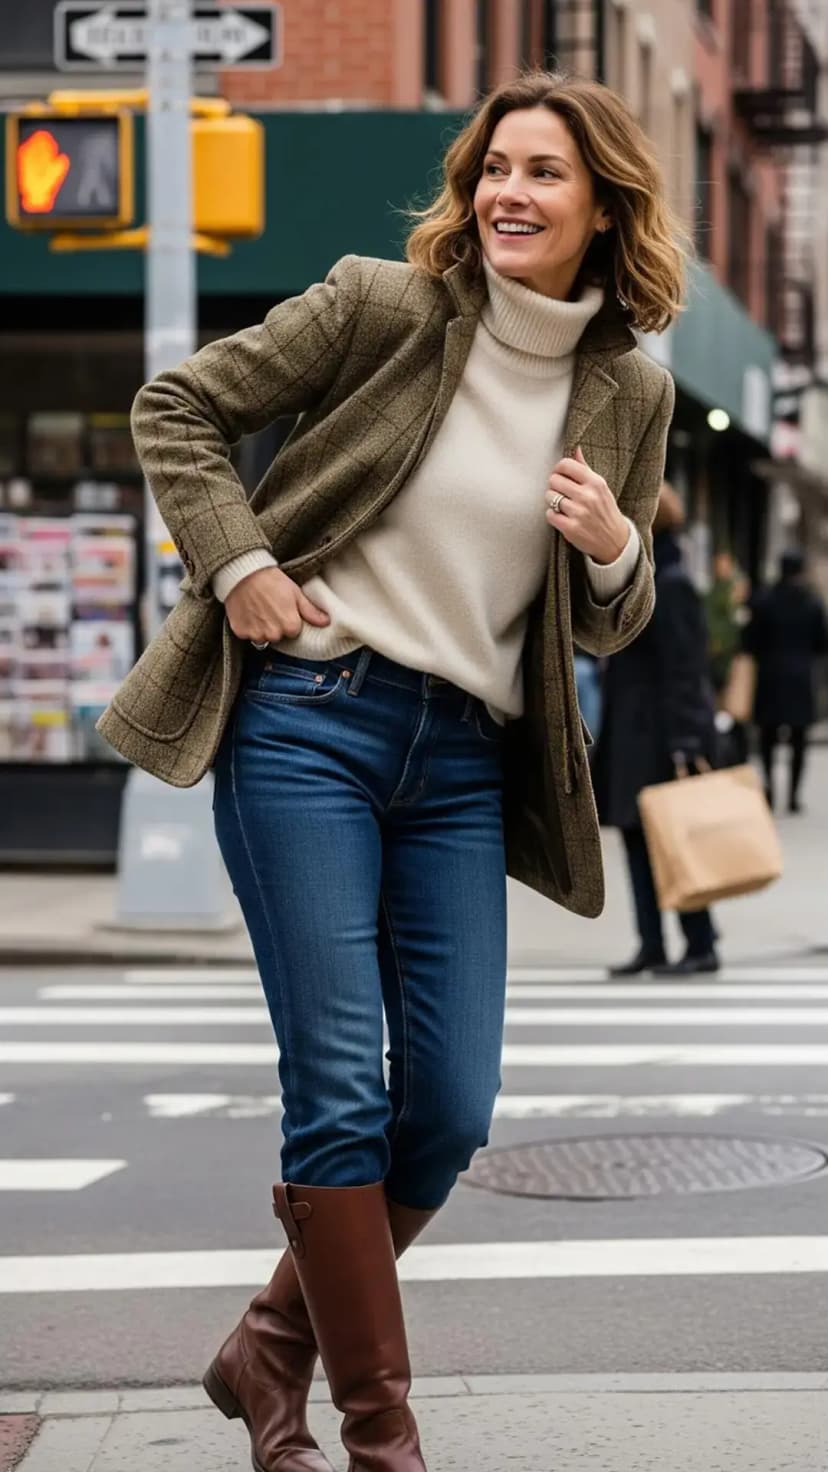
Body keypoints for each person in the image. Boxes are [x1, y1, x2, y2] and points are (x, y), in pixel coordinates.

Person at [98, 71, 683, 1472]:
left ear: (604, 207)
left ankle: (269, 1347)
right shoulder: (380, 305)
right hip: (312, 725)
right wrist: (238, 565)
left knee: (452, 1106)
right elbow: (177, 408)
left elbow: (612, 613)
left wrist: (613, 538)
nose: (508, 194)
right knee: (342, 1093)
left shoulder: (633, 388)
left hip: (463, 763)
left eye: (544, 173)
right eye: (493, 167)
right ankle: (378, 1436)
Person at [595, 483, 720, 976]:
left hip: (661, 740)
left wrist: (686, 743)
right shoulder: (645, 578)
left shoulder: (671, 582)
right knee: (636, 838)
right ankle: (651, 943)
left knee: (676, 840)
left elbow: (686, 671)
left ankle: (700, 942)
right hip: (633, 735)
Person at [745, 549, 828, 813]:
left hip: (770, 675)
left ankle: (769, 789)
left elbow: (750, 641)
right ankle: (793, 796)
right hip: (801, 677)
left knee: (768, 736)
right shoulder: (812, 602)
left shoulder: (764, 600)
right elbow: (822, 642)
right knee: (799, 739)